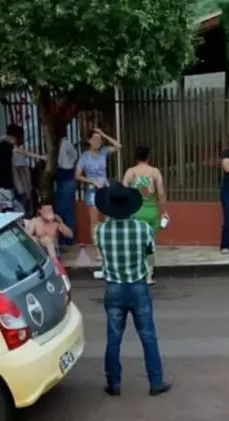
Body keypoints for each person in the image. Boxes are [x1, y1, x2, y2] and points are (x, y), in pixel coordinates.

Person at [93, 182, 170, 397]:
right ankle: (156, 382)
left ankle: (113, 383)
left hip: (114, 287)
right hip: (138, 286)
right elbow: (149, 251)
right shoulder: (143, 229)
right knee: (148, 336)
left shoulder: (100, 231)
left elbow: (100, 250)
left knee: (113, 338)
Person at [123, 145, 168, 285]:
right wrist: (163, 211)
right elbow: (160, 193)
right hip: (151, 212)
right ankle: (149, 275)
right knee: (150, 244)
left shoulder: (130, 172)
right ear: (148, 156)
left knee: (134, 243)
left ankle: (135, 273)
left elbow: (123, 190)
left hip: (134, 213)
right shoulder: (154, 172)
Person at [75, 127, 121, 261]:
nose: (98, 142)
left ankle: (108, 246)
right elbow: (77, 175)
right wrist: (91, 180)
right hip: (92, 190)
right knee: (94, 221)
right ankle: (98, 250)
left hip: (105, 189)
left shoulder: (103, 152)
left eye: (99, 139)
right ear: (89, 140)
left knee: (108, 218)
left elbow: (118, 146)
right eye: (95, 139)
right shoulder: (84, 156)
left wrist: (104, 133)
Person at [53, 131, 79, 248]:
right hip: (65, 179)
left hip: (65, 179)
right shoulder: (65, 144)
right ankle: (67, 240)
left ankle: (66, 241)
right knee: (66, 212)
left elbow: (67, 160)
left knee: (63, 212)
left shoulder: (65, 144)